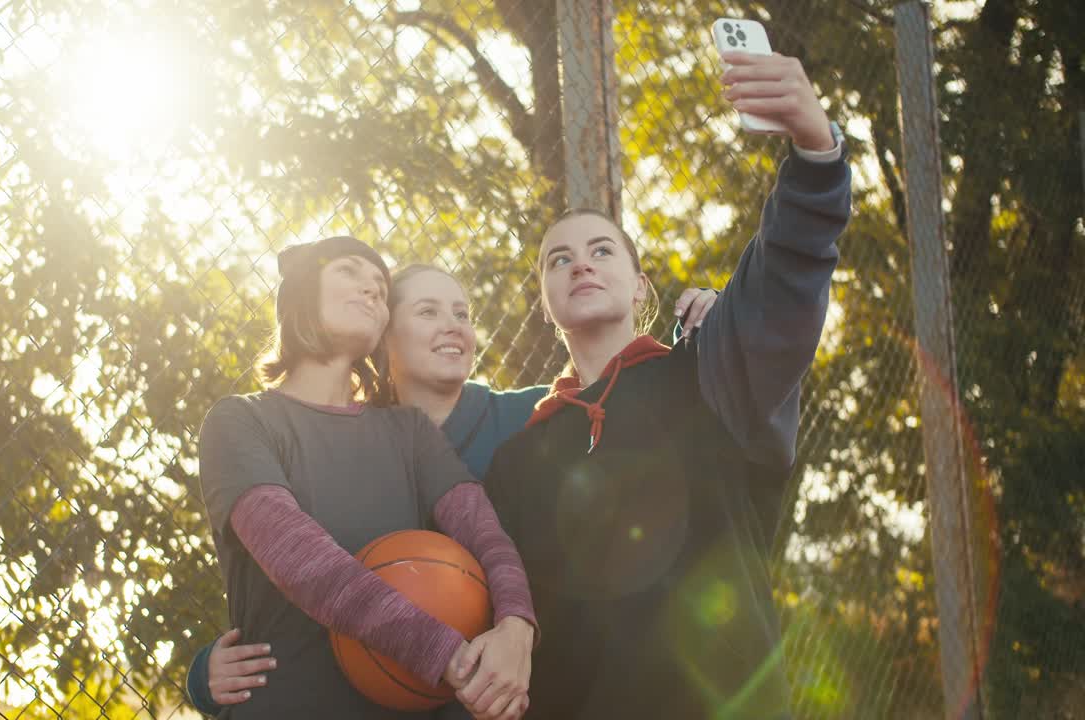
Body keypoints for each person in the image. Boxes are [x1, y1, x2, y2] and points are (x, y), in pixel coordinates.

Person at [484, 50, 851, 719]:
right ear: (544, 304)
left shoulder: (706, 376)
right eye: (557, 260)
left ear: (639, 286)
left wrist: (815, 152)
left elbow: (781, 285)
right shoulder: (515, 460)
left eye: (602, 251)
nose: (580, 265)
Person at [189, 259, 721, 717]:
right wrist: (203, 675)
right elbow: (297, 560)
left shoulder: (538, 417)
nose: (454, 327)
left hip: (546, 687)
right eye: (426, 311)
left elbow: (634, 403)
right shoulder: (261, 422)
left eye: (463, 313)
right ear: (386, 336)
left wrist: (708, 332)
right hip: (409, 688)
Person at [196, 236, 538, 720]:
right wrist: (450, 658)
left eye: (380, 285)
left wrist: (515, 629)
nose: (371, 288)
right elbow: (299, 558)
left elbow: (483, 532)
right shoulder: (240, 421)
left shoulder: (408, 430)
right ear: (300, 295)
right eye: (349, 272)